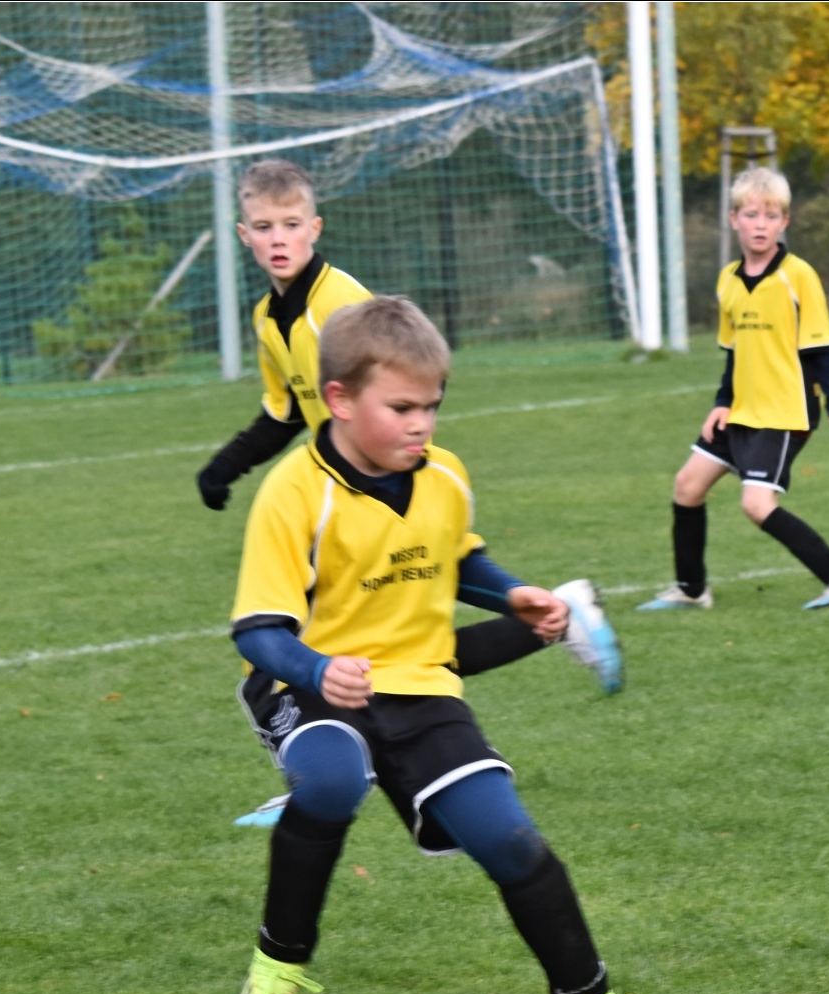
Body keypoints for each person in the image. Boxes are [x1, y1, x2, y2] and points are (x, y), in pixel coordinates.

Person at [225, 296, 662, 994]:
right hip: (306, 682)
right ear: (340, 400)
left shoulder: (445, 477)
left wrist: (513, 594)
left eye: (431, 406)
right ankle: (275, 972)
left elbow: (458, 559)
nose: (421, 424)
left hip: (419, 683)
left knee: (509, 839)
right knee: (331, 781)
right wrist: (319, 669)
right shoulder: (295, 492)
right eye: (401, 408)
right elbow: (258, 631)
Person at [195, 160, 618, 691]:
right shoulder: (267, 318)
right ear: (244, 234)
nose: (278, 239)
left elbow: (412, 376)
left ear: (315, 228)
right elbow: (288, 410)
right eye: (264, 227)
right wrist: (225, 467)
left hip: (381, 479)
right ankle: (564, 615)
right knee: (382, 647)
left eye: (291, 224)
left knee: (385, 645)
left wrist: (403, 450)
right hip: (339, 488)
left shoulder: (339, 304)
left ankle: (557, 617)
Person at [638, 166, 829, 612]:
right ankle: (691, 590)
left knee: (756, 503)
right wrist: (722, 403)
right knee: (687, 485)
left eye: (770, 216)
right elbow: (735, 353)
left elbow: (822, 347)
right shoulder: (728, 280)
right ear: (734, 220)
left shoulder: (797, 276)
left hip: (785, 411)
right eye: (751, 215)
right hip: (742, 410)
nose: (760, 225)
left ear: (784, 222)